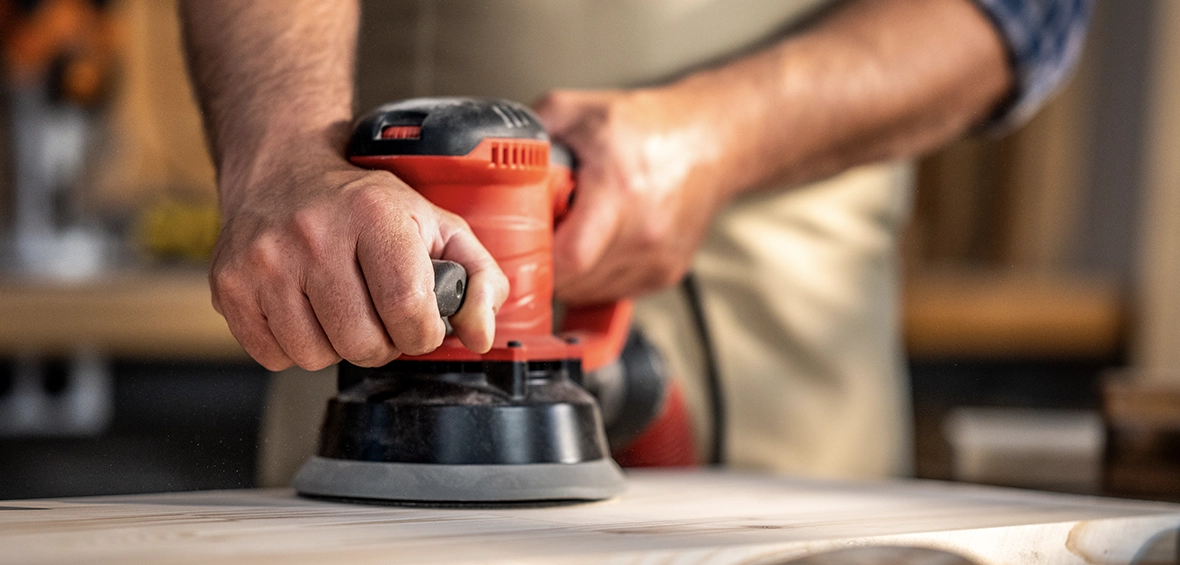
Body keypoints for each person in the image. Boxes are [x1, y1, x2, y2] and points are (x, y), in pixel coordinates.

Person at [180, 0, 1091, 481]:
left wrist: (722, 135)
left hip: (801, 351)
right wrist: (288, 151)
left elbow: (1021, 11)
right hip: (377, 293)